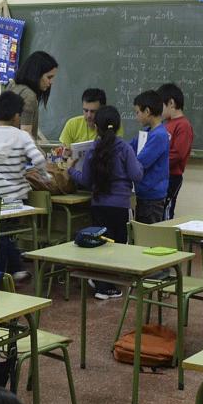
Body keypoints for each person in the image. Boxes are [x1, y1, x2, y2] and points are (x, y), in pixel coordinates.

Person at [0, 91, 51, 281]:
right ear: (16, 115)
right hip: (17, 200)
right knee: (4, 236)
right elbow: (38, 158)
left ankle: (1, 274)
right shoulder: (22, 136)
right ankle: (5, 274)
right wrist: (44, 175)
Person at [69, 105, 143, 300]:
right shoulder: (125, 148)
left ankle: (101, 282)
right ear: (118, 126)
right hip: (120, 206)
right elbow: (137, 175)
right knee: (117, 245)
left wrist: (70, 170)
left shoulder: (94, 149)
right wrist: (139, 165)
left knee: (100, 245)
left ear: (96, 127)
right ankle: (107, 287)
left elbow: (85, 180)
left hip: (99, 204)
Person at [129, 90, 170, 225]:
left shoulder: (159, 135)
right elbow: (128, 148)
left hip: (152, 198)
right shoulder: (147, 132)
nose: (136, 117)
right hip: (144, 194)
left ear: (147, 111)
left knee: (148, 238)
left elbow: (141, 162)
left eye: (137, 112)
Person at [4, 51, 59, 143]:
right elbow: (26, 136)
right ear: (36, 74)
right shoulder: (29, 96)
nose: (51, 82)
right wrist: (42, 156)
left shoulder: (12, 85)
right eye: (49, 77)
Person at [158, 83, 193, 220]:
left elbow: (178, 154)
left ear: (171, 103)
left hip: (172, 176)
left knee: (166, 209)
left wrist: (158, 162)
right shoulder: (166, 124)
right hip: (162, 175)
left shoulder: (183, 125)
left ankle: (167, 239)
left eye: (161, 105)